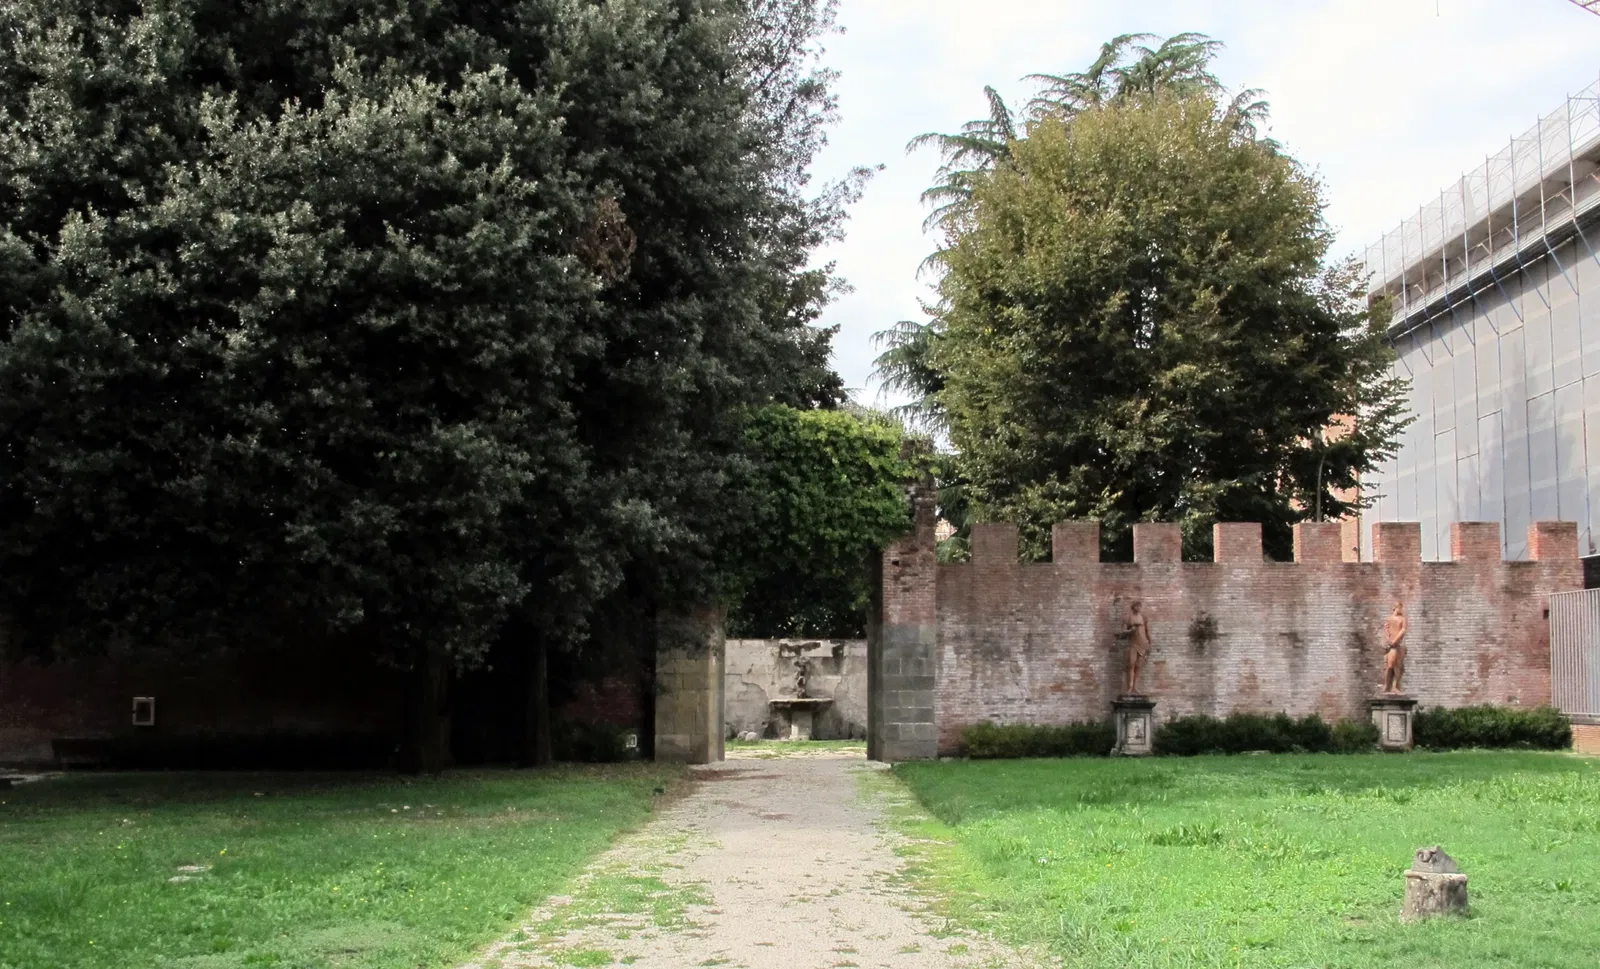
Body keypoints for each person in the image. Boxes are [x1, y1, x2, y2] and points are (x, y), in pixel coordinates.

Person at [1124, 601, 1152, 695]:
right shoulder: (1128, 617)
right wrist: (1129, 631)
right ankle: (1130, 687)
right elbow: (1123, 632)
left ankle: (1135, 687)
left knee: (1139, 666)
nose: (1139, 608)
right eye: (1137, 606)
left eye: (1140, 606)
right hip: (1133, 643)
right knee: (1131, 664)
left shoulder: (1144, 617)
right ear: (1133, 607)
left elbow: (1147, 631)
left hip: (1143, 643)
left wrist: (1150, 643)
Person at [1384, 601, 1408, 694]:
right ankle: (1387, 685)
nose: (1400, 609)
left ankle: (1395, 686)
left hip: (1399, 645)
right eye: (1399, 607)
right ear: (1394, 608)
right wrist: (1388, 640)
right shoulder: (1389, 619)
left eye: (1401, 608)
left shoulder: (1403, 619)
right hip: (1391, 646)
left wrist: (1395, 641)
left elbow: (1403, 630)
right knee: (1389, 665)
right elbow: (1386, 629)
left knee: (1398, 666)